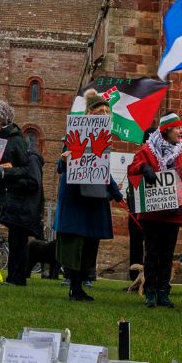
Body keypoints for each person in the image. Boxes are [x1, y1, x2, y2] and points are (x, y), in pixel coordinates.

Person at [53, 90, 124, 302]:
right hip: (76, 196)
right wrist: (65, 160)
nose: (104, 113)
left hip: (94, 196)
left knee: (90, 242)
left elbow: (102, 168)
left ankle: (80, 286)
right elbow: (61, 164)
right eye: (99, 110)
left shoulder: (104, 138)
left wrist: (116, 192)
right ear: (90, 112)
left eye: (106, 111)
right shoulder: (76, 131)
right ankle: (74, 287)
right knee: (75, 243)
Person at [128, 114, 182, 308]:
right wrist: (144, 168)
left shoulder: (180, 153)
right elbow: (133, 167)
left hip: (173, 213)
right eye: (177, 128)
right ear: (167, 130)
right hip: (152, 212)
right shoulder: (147, 150)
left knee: (167, 255)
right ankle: (150, 291)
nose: (181, 131)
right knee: (151, 253)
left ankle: (163, 291)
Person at [0, 100, 40, 286]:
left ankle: (17, 278)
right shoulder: (2, 139)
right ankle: (13, 277)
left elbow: (26, 169)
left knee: (18, 240)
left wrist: (5, 172)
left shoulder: (15, 140)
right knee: (14, 239)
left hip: (19, 198)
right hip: (12, 196)